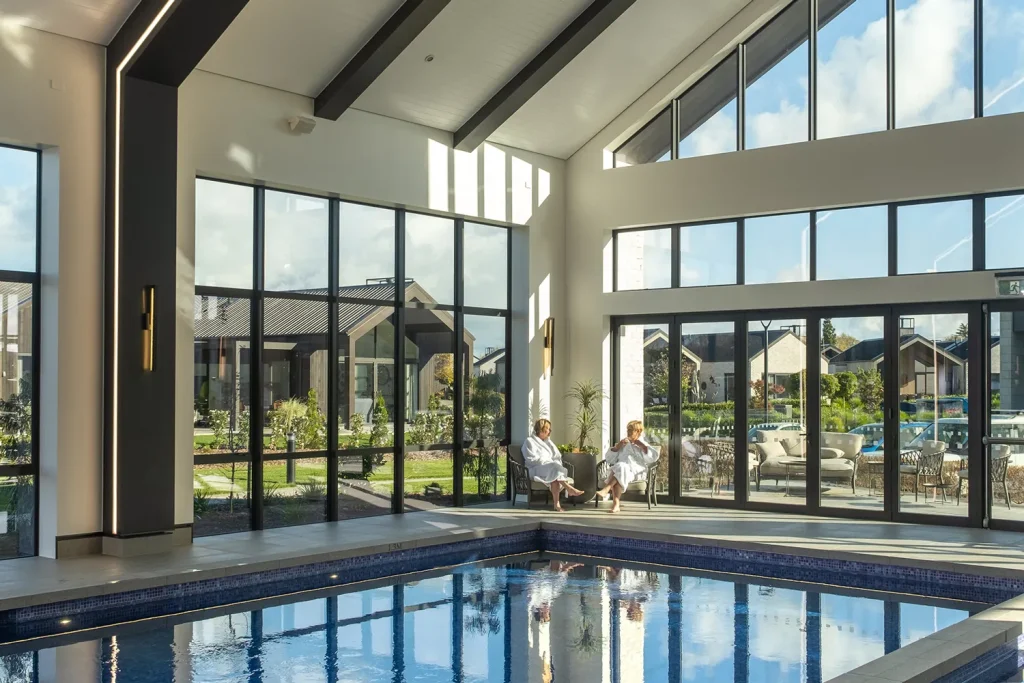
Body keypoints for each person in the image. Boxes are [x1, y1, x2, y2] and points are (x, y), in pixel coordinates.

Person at [597, 420, 659, 513]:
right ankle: (615, 505)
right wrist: (617, 447)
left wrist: (642, 446)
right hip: (622, 470)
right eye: (628, 430)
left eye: (631, 430)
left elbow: (653, 457)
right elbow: (610, 459)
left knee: (620, 469)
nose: (628, 432)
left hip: (636, 472)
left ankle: (607, 489)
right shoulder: (623, 443)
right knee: (621, 469)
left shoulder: (642, 444)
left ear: (638, 431)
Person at [522, 419, 583, 512]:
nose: (550, 431)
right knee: (554, 468)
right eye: (548, 429)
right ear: (541, 429)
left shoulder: (549, 442)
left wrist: (553, 464)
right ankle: (569, 488)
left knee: (555, 475)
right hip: (535, 469)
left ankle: (556, 504)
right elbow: (530, 459)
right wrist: (548, 463)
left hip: (549, 469)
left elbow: (557, 457)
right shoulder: (529, 441)